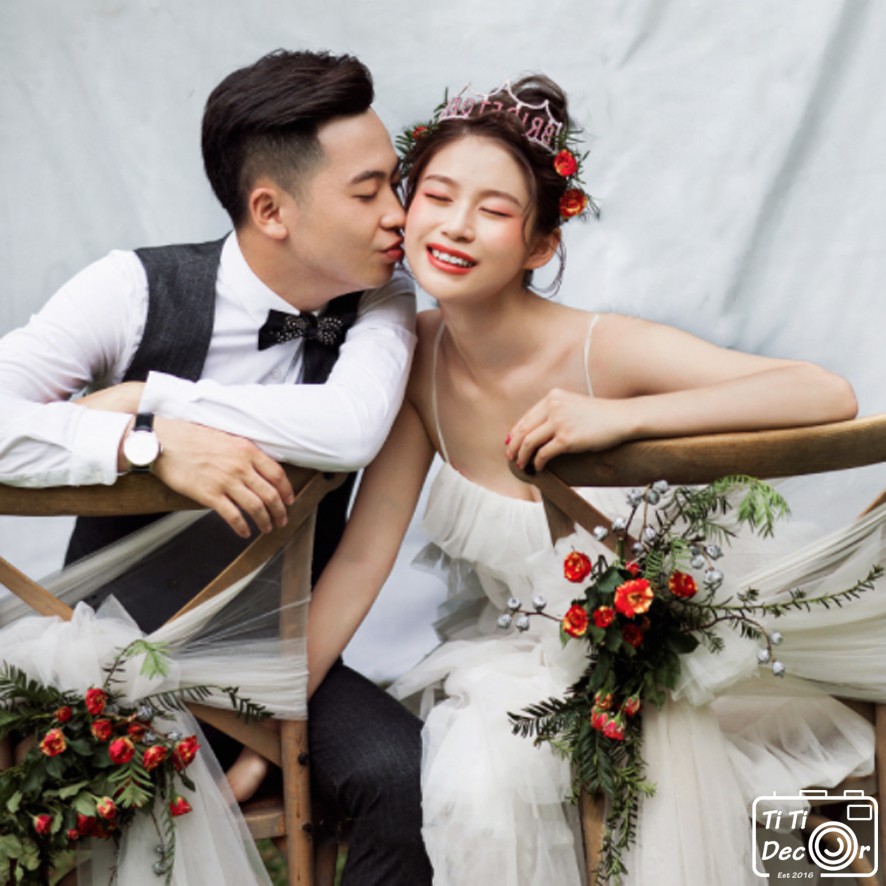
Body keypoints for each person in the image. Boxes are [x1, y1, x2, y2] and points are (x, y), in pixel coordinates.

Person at [301, 75, 883, 884]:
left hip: (666, 644)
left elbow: (824, 394)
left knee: (708, 797)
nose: (457, 226)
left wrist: (621, 418)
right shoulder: (418, 362)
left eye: (495, 210)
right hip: (523, 659)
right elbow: (363, 559)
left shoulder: (597, 349)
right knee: (480, 781)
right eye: (436, 195)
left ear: (540, 245)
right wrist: (278, 720)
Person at [0, 49, 432, 885]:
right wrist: (149, 446)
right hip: (105, 658)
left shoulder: (383, 299)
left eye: (397, 183)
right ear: (271, 209)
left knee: (402, 779)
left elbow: (351, 430)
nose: (400, 215)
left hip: (274, 659)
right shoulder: (131, 289)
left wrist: (151, 400)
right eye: (369, 190)